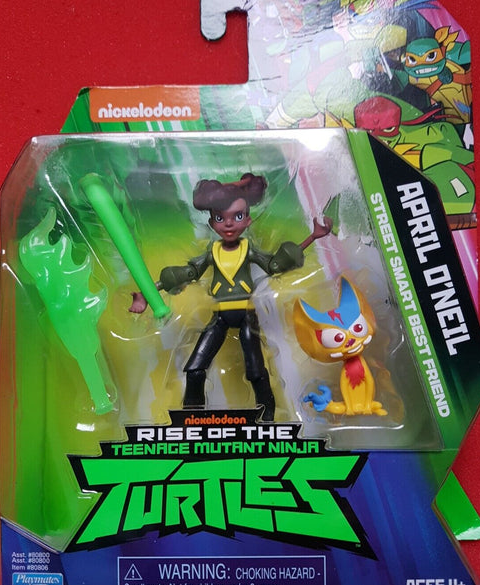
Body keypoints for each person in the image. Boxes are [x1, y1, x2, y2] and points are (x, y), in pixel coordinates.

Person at [130, 173, 332, 420]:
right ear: (212, 222)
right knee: (195, 369)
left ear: (247, 220)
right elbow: (186, 273)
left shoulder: (248, 249)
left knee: (256, 371)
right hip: (220, 316)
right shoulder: (212, 252)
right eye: (220, 218)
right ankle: (191, 418)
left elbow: (275, 264)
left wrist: (313, 236)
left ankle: (267, 419)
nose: (228, 224)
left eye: (237, 217)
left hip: (246, 315)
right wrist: (147, 293)